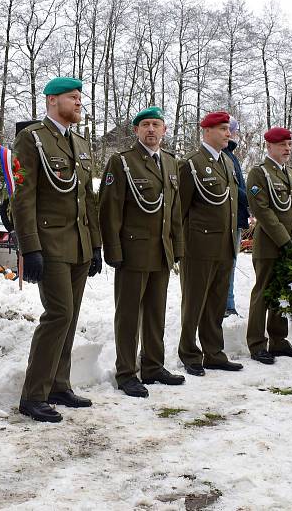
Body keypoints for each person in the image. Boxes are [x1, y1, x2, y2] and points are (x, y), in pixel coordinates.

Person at [11, 77, 102, 423]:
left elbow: (87, 199)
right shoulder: (32, 139)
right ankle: (33, 395)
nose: (79, 102)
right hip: (49, 244)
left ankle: (58, 385)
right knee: (58, 315)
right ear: (52, 101)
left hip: (78, 243)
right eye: (72, 97)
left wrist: (94, 245)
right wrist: (29, 247)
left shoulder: (78, 142)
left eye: (80, 97)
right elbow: (23, 197)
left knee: (71, 316)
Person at [99, 106, 185, 398]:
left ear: (164, 130)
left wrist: (178, 247)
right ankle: (126, 372)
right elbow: (110, 210)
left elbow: (175, 212)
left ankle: (153, 365)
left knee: (155, 313)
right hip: (133, 251)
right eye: (145, 125)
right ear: (135, 131)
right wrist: (112, 249)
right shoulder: (122, 162)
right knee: (128, 315)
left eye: (156, 125)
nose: (151, 130)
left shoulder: (172, 164)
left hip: (161, 251)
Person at [177, 111, 243, 375]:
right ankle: (189, 353)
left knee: (216, 303)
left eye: (228, 129)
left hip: (224, 244)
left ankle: (213, 352)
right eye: (223, 129)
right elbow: (179, 209)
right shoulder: (191, 164)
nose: (228, 133)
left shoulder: (227, 162)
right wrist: (179, 246)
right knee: (194, 302)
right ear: (206, 131)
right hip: (198, 246)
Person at [244, 127, 292, 365]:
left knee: (284, 291)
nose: (287, 149)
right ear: (269, 147)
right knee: (263, 292)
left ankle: (279, 340)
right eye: (282, 145)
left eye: (290, 145)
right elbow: (262, 210)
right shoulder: (259, 174)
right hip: (270, 246)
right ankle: (257, 343)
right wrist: (285, 241)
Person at [224, 115, 248, 318]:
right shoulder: (225, 155)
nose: (235, 134)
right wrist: (251, 199)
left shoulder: (230, 155)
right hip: (229, 218)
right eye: (234, 130)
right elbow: (234, 187)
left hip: (236, 217)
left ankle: (228, 303)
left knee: (231, 262)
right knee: (228, 263)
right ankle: (227, 305)